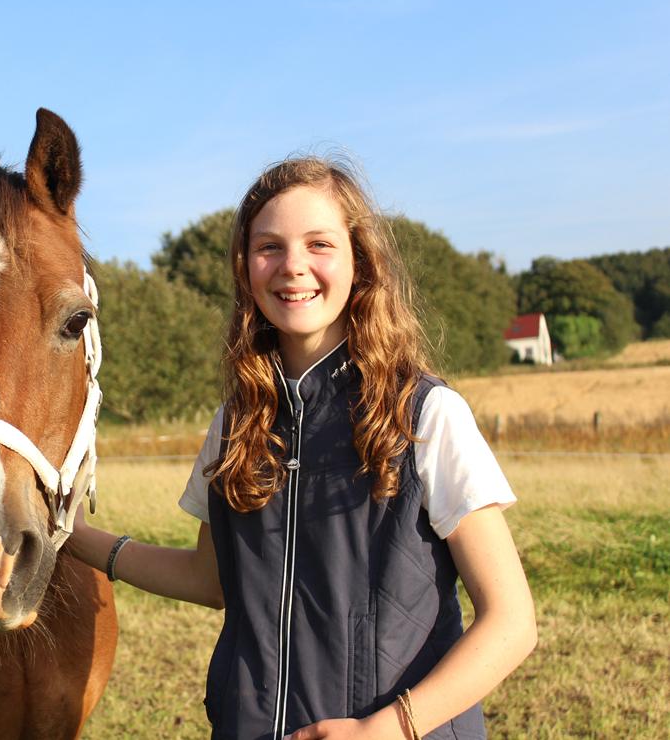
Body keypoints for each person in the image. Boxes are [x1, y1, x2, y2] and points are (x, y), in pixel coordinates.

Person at [68, 156, 536, 740]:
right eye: (269, 247)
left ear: (359, 261)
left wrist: (384, 729)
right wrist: (72, 535)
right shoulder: (234, 423)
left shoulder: (425, 414)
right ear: (245, 268)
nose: (293, 266)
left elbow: (512, 623)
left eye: (319, 244)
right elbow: (210, 580)